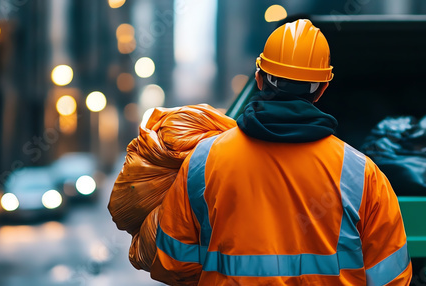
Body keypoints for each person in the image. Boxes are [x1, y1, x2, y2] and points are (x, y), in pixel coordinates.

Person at [150, 19, 412, 285]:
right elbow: (391, 278)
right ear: (322, 89)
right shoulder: (362, 173)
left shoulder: (203, 161)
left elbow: (172, 264)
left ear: (259, 79)